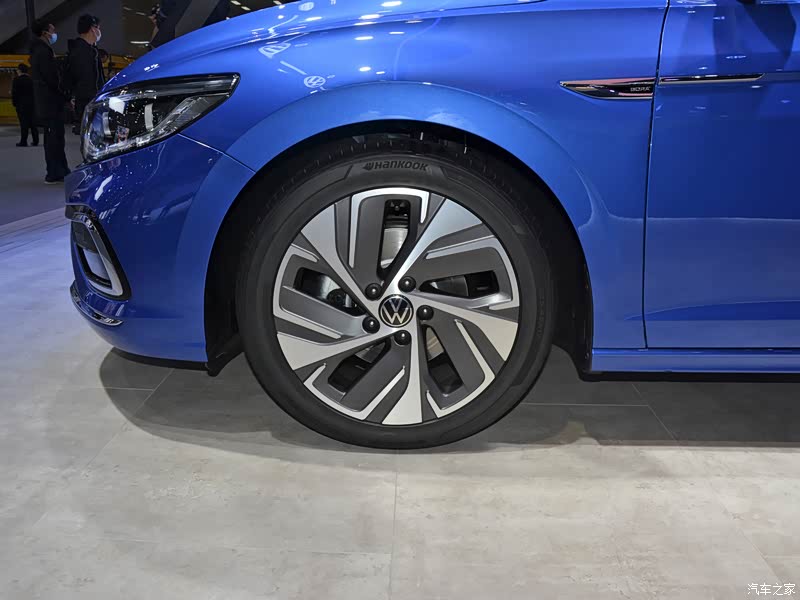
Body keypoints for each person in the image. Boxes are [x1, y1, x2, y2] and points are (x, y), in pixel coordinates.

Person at [29, 19, 70, 184]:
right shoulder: (43, 52)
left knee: (54, 137)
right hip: (50, 102)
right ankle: (55, 172)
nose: (54, 33)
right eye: (52, 30)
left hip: (47, 102)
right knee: (54, 138)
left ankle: (59, 170)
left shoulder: (39, 50)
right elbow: (52, 79)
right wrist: (65, 95)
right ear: (45, 32)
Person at [69, 14, 105, 135]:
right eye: (98, 27)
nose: (99, 31)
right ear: (92, 29)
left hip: (89, 102)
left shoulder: (89, 50)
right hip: (88, 103)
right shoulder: (82, 52)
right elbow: (86, 80)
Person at [11, 64, 39, 147]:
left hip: (21, 105)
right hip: (32, 104)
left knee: (23, 123)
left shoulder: (16, 80)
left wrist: (14, 103)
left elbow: (14, 93)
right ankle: (35, 140)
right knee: (33, 123)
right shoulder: (31, 80)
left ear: (20, 70)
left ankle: (23, 141)